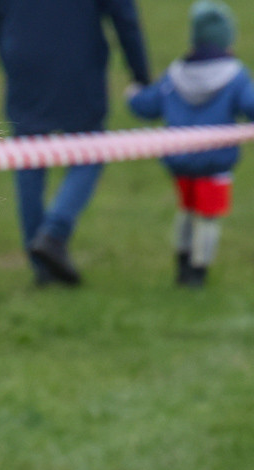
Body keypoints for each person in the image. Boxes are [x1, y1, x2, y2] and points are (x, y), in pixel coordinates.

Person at [0, 0, 150, 286]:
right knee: (91, 150)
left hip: (24, 58)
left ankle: (42, 265)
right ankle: (53, 235)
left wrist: (9, 54)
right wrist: (141, 74)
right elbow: (124, 16)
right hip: (79, 62)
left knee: (29, 157)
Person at [127, 0, 254, 287]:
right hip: (215, 163)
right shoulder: (235, 76)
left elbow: (147, 105)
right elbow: (250, 104)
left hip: (180, 160)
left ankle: (182, 262)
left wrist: (133, 94)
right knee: (208, 217)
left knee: (186, 209)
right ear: (226, 39)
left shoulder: (175, 73)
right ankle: (199, 271)